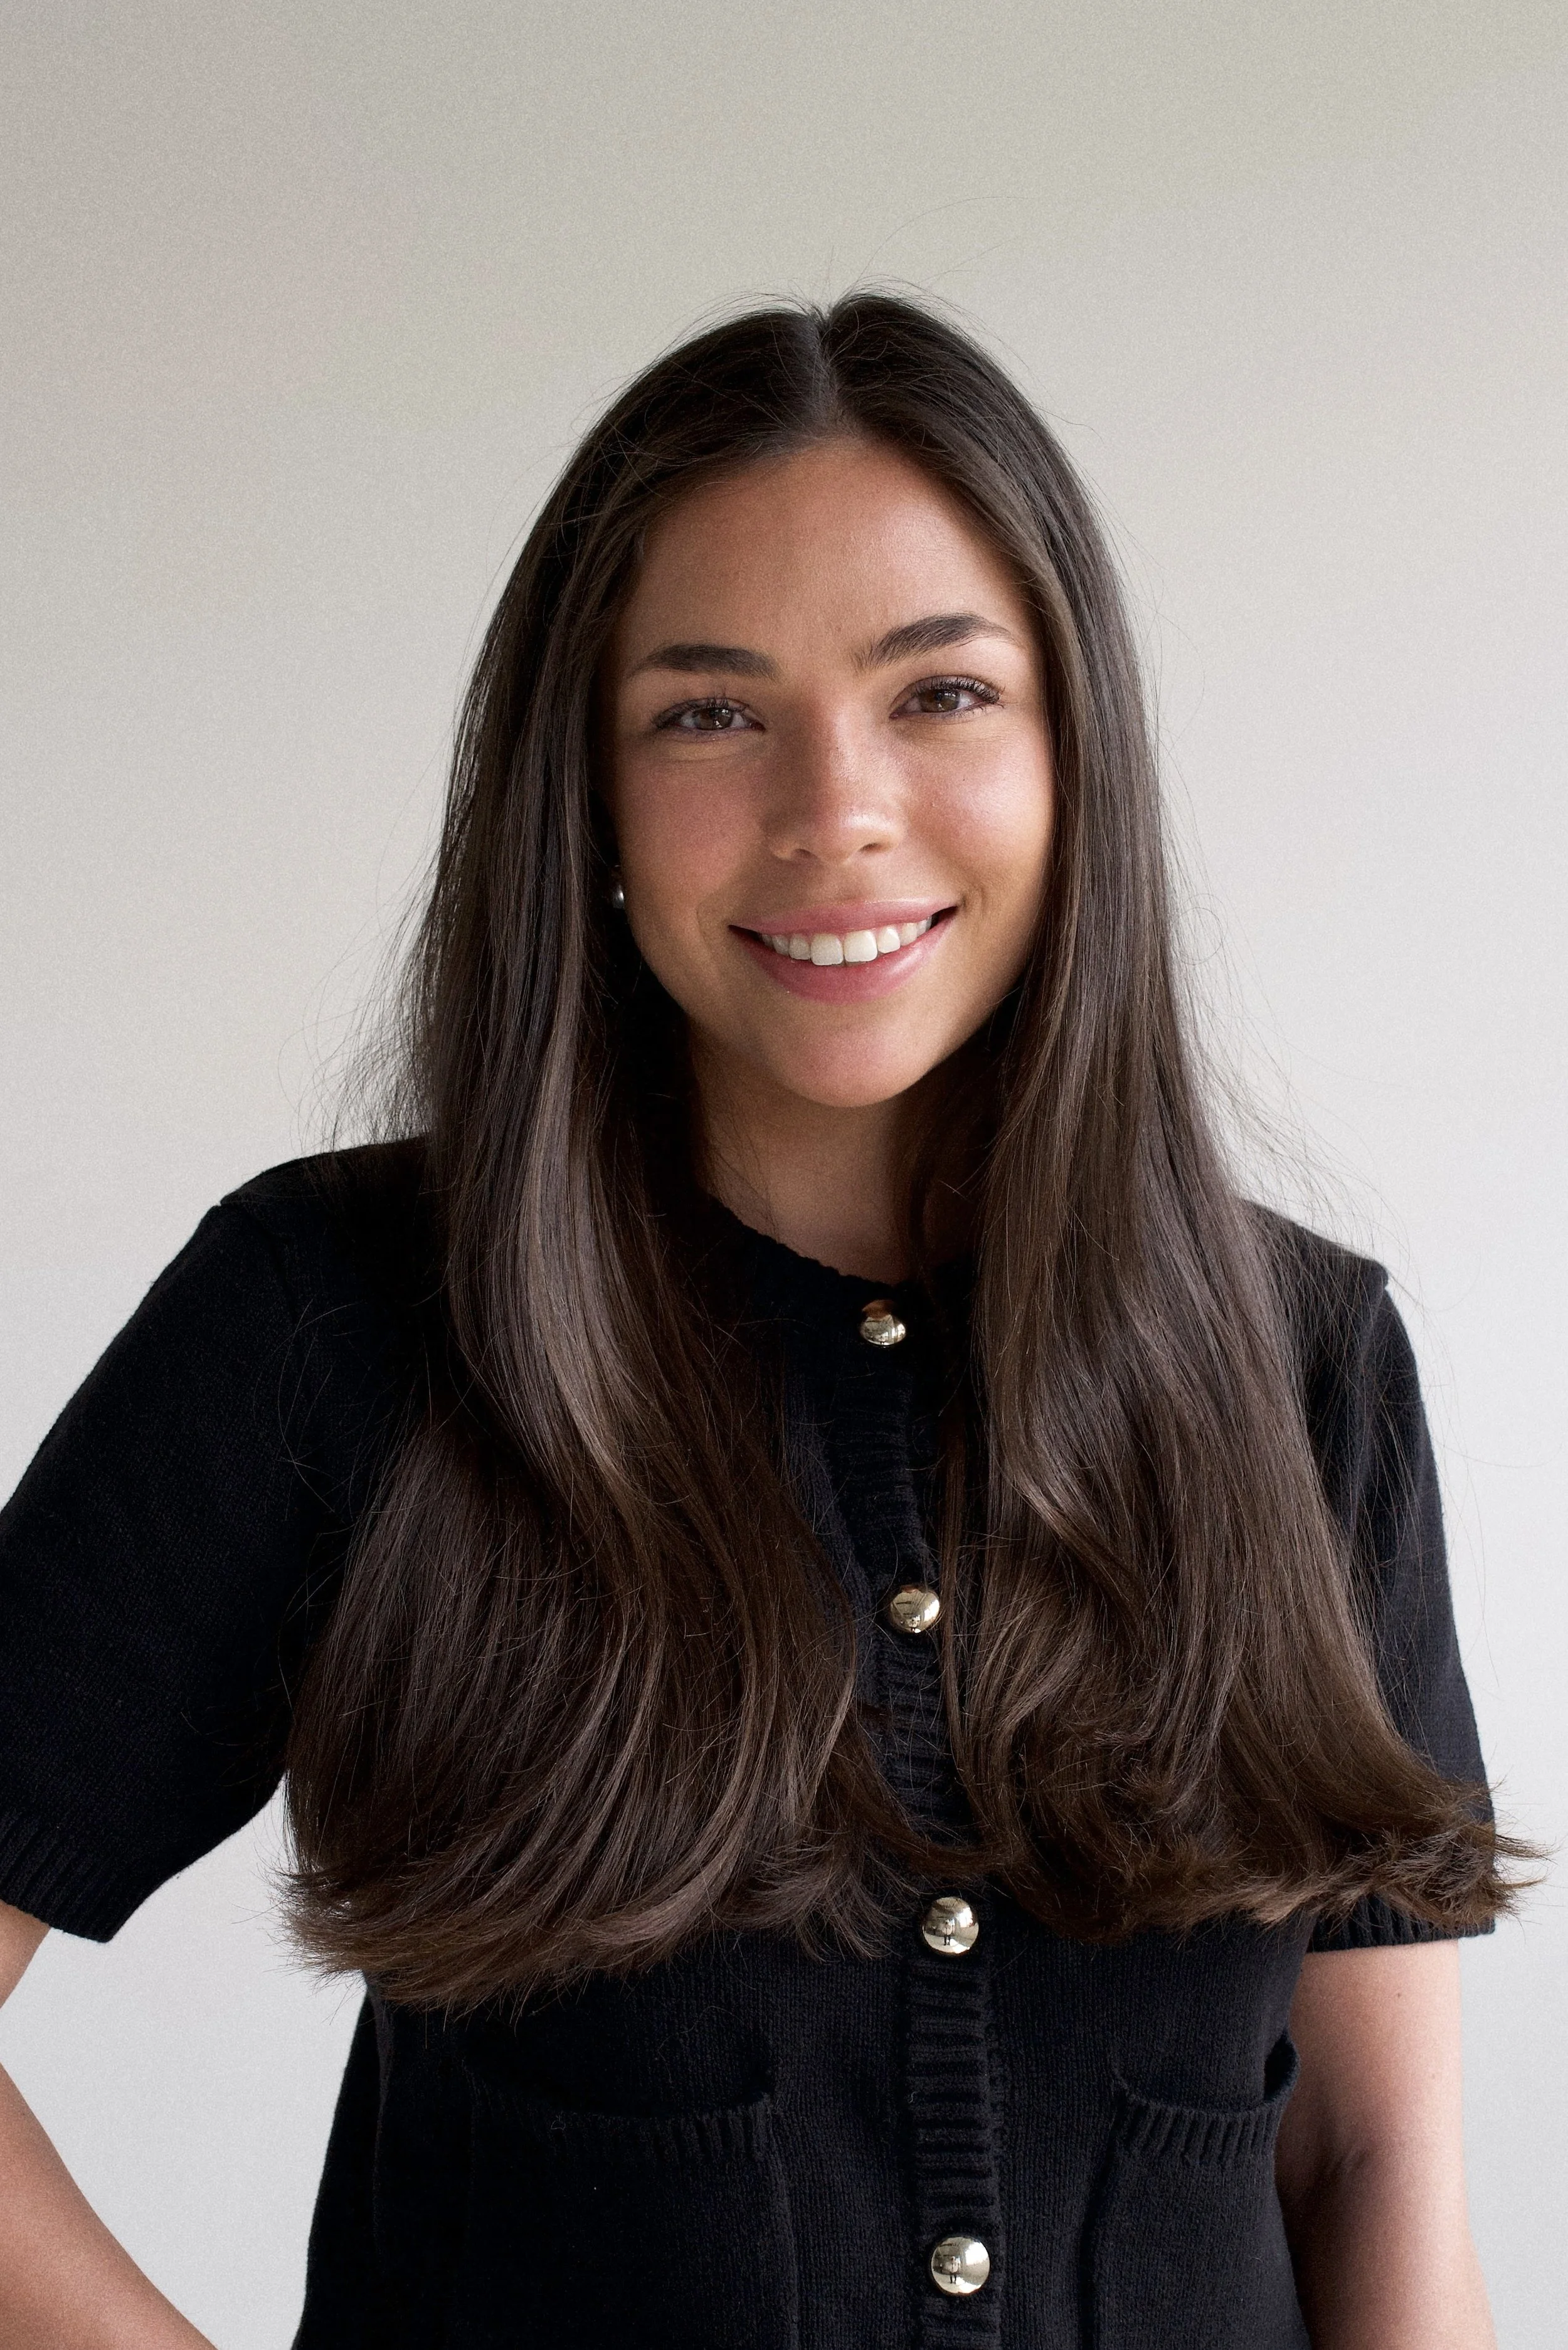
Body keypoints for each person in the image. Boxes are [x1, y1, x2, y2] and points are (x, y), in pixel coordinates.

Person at [0, 294, 1520, 2349]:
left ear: (1074, 754)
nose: (836, 810)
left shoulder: (1302, 1361)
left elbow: (1375, 2165)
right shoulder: (333, 1319)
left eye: (943, 693)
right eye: (708, 714)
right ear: (589, 801)